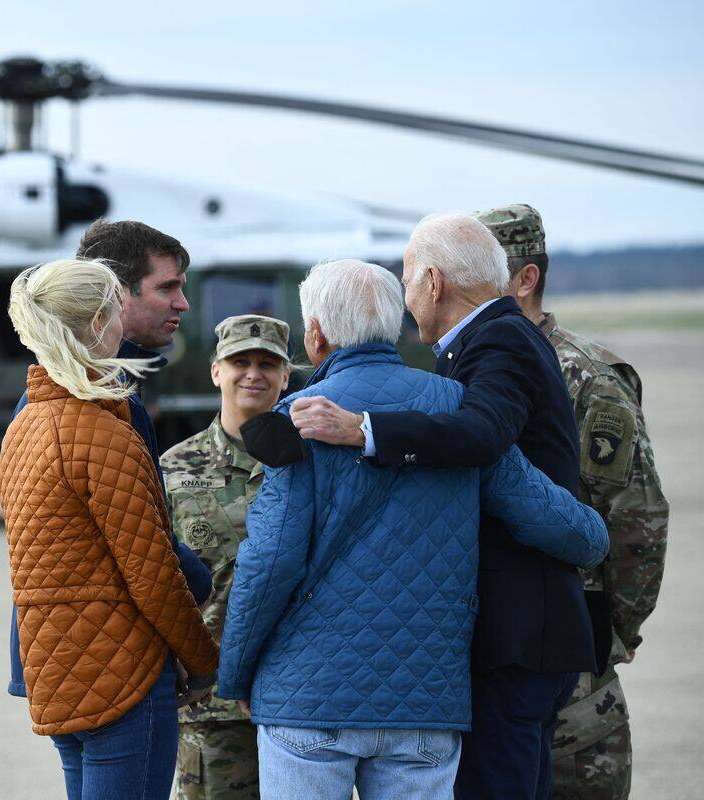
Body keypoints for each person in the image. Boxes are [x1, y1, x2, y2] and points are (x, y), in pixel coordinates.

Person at [216, 258, 609, 800]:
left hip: (308, 697)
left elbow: (270, 561)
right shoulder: (455, 409)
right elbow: (572, 531)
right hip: (426, 704)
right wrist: (594, 537)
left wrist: (237, 674)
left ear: (316, 333)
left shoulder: (299, 419)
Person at [0, 258, 219, 800]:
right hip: (124, 674)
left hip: (58, 670)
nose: (124, 324)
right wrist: (202, 661)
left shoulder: (22, 428)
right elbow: (153, 574)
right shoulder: (103, 435)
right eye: (117, 311)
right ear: (98, 323)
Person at [475, 204, 670, 800]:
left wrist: (609, 637)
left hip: (572, 664)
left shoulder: (587, 378)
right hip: (497, 656)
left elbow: (635, 520)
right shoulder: (472, 363)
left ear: (525, 279)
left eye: (479, 271)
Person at [161, 314, 294, 800]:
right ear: (217, 371)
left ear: (285, 376)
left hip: (296, 695)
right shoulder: (174, 469)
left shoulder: (310, 460)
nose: (253, 374)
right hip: (209, 704)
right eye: (241, 362)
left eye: (267, 364)